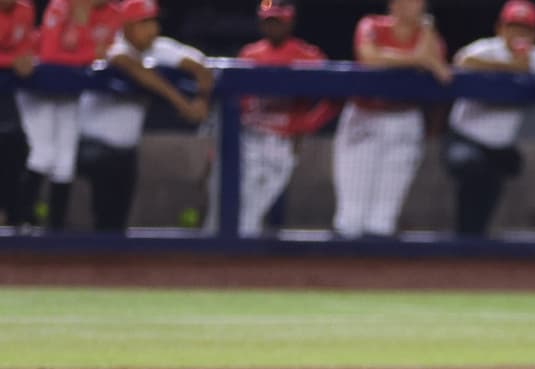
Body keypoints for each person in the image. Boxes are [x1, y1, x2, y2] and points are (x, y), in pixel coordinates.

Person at [441, 0, 535, 238]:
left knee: (501, 172)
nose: (518, 34)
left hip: (498, 150)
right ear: (500, 28)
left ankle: (472, 241)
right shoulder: (487, 49)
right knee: (472, 167)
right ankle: (465, 241)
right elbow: (462, 61)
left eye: (525, 29)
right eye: (513, 27)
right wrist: (510, 66)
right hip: (464, 138)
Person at [75, 0, 210, 234]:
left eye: (153, 21)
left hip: (125, 153)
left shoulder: (157, 48)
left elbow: (201, 66)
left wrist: (201, 100)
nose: (152, 29)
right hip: (88, 146)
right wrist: (180, 103)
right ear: (126, 26)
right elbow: (131, 66)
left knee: (116, 226)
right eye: (143, 23)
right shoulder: (114, 44)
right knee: (103, 223)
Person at [332, 0, 451, 240]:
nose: (414, 6)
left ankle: (377, 276)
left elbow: (438, 67)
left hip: (404, 117)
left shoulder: (427, 35)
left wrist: (426, 32)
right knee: (350, 219)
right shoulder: (371, 24)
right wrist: (416, 60)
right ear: (393, 4)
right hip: (365, 114)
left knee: (383, 221)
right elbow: (370, 58)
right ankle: (338, 276)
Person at [14, 0, 121, 233]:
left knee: (65, 162)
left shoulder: (113, 13)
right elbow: (51, 55)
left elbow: (112, 56)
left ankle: (56, 230)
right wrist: (90, 48)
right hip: (38, 89)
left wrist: (83, 46)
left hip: (69, 92)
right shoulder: (61, 5)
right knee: (42, 154)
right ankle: (20, 222)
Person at [237, 0, 337, 238]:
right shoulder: (249, 54)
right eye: (268, 21)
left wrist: (307, 124)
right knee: (237, 203)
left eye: (278, 21)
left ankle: (261, 257)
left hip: (282, 142)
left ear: (290, 22)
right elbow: (237, 103)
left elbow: (336, 96)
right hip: (249, 137)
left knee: (262, 203)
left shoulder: (308, 56)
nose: (272, 27)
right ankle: (234, 260)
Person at [0, 0, 36, 227]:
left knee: (15, 148)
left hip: (11, 98)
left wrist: (24, 59)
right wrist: (11, 61)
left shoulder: (25, 9)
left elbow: (26, 47)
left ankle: (16, 216)